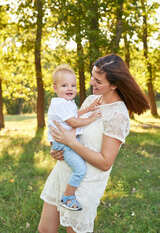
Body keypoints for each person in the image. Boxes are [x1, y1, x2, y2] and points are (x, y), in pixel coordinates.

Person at [38, 54, 150, 233]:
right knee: (45, 229)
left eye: (98, 80)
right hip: (63, 173)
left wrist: (71, 143)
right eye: (92, 76)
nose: (91, 83)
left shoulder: (118, 116)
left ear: (114, 84)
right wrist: (58, 150)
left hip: (85, 184)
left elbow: (105, 163)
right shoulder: (92, 100)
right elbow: (73, 128)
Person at [47, 65, 101, 211]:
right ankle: (68, 197)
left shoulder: (66, 103)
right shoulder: (59, 104)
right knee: (80, 170)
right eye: (64, 85)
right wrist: (91, 118)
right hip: (63, 144)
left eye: (73, 85)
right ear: (55, 88)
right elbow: (74, 122)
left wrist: (88, 109)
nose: (70, 88)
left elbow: (75, 114)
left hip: (66, 142)